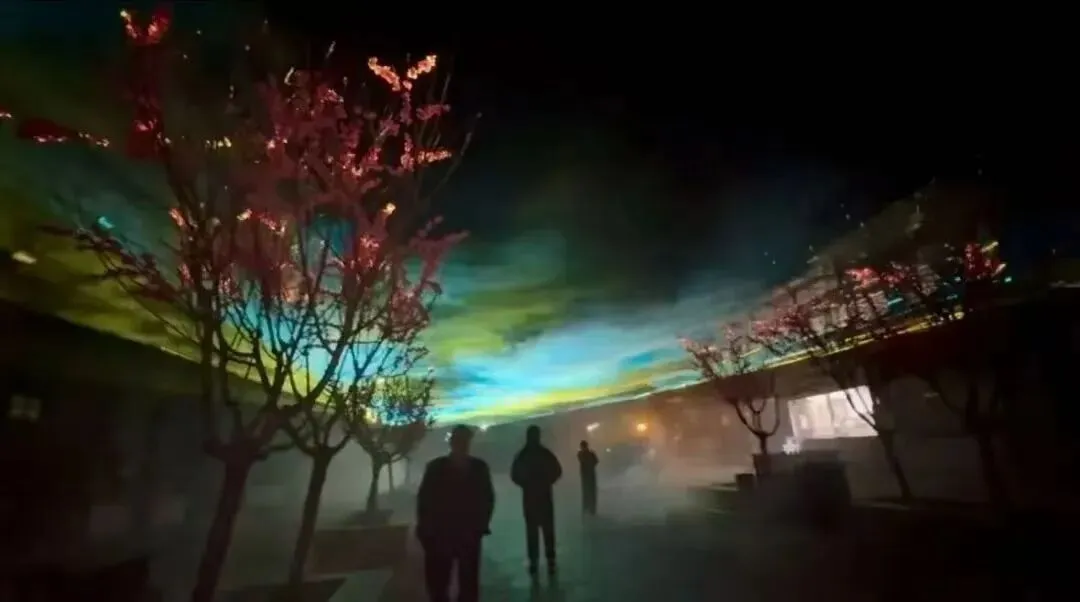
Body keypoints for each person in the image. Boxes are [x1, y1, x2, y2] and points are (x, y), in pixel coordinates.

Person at [416, 425, 495, 602]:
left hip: (445, 534)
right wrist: (481, 525)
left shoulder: (436, 467)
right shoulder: (478, 468)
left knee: (442, 583)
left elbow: (424, 501)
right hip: (459, 533)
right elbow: (487, 499)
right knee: (461, 583)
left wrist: (424, 529)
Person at [510, 425, 562, 576]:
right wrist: (547, 482)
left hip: (529, 499)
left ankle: (534, 562)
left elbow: (514, 475)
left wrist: (526, 484)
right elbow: (557, 471)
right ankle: (551, 561)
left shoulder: (522, 455)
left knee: (531, 532)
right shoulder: (545, 454)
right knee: (548, 531)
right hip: (545, 497)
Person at [577, 440, 599, 515]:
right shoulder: (589, 453)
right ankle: (590, 509)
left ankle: (588, 508)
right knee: (589, 492)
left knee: (587, 492)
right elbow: (596, 461)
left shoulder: (582, 454)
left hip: (586, 475)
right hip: (589, 475)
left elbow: (595, 461)